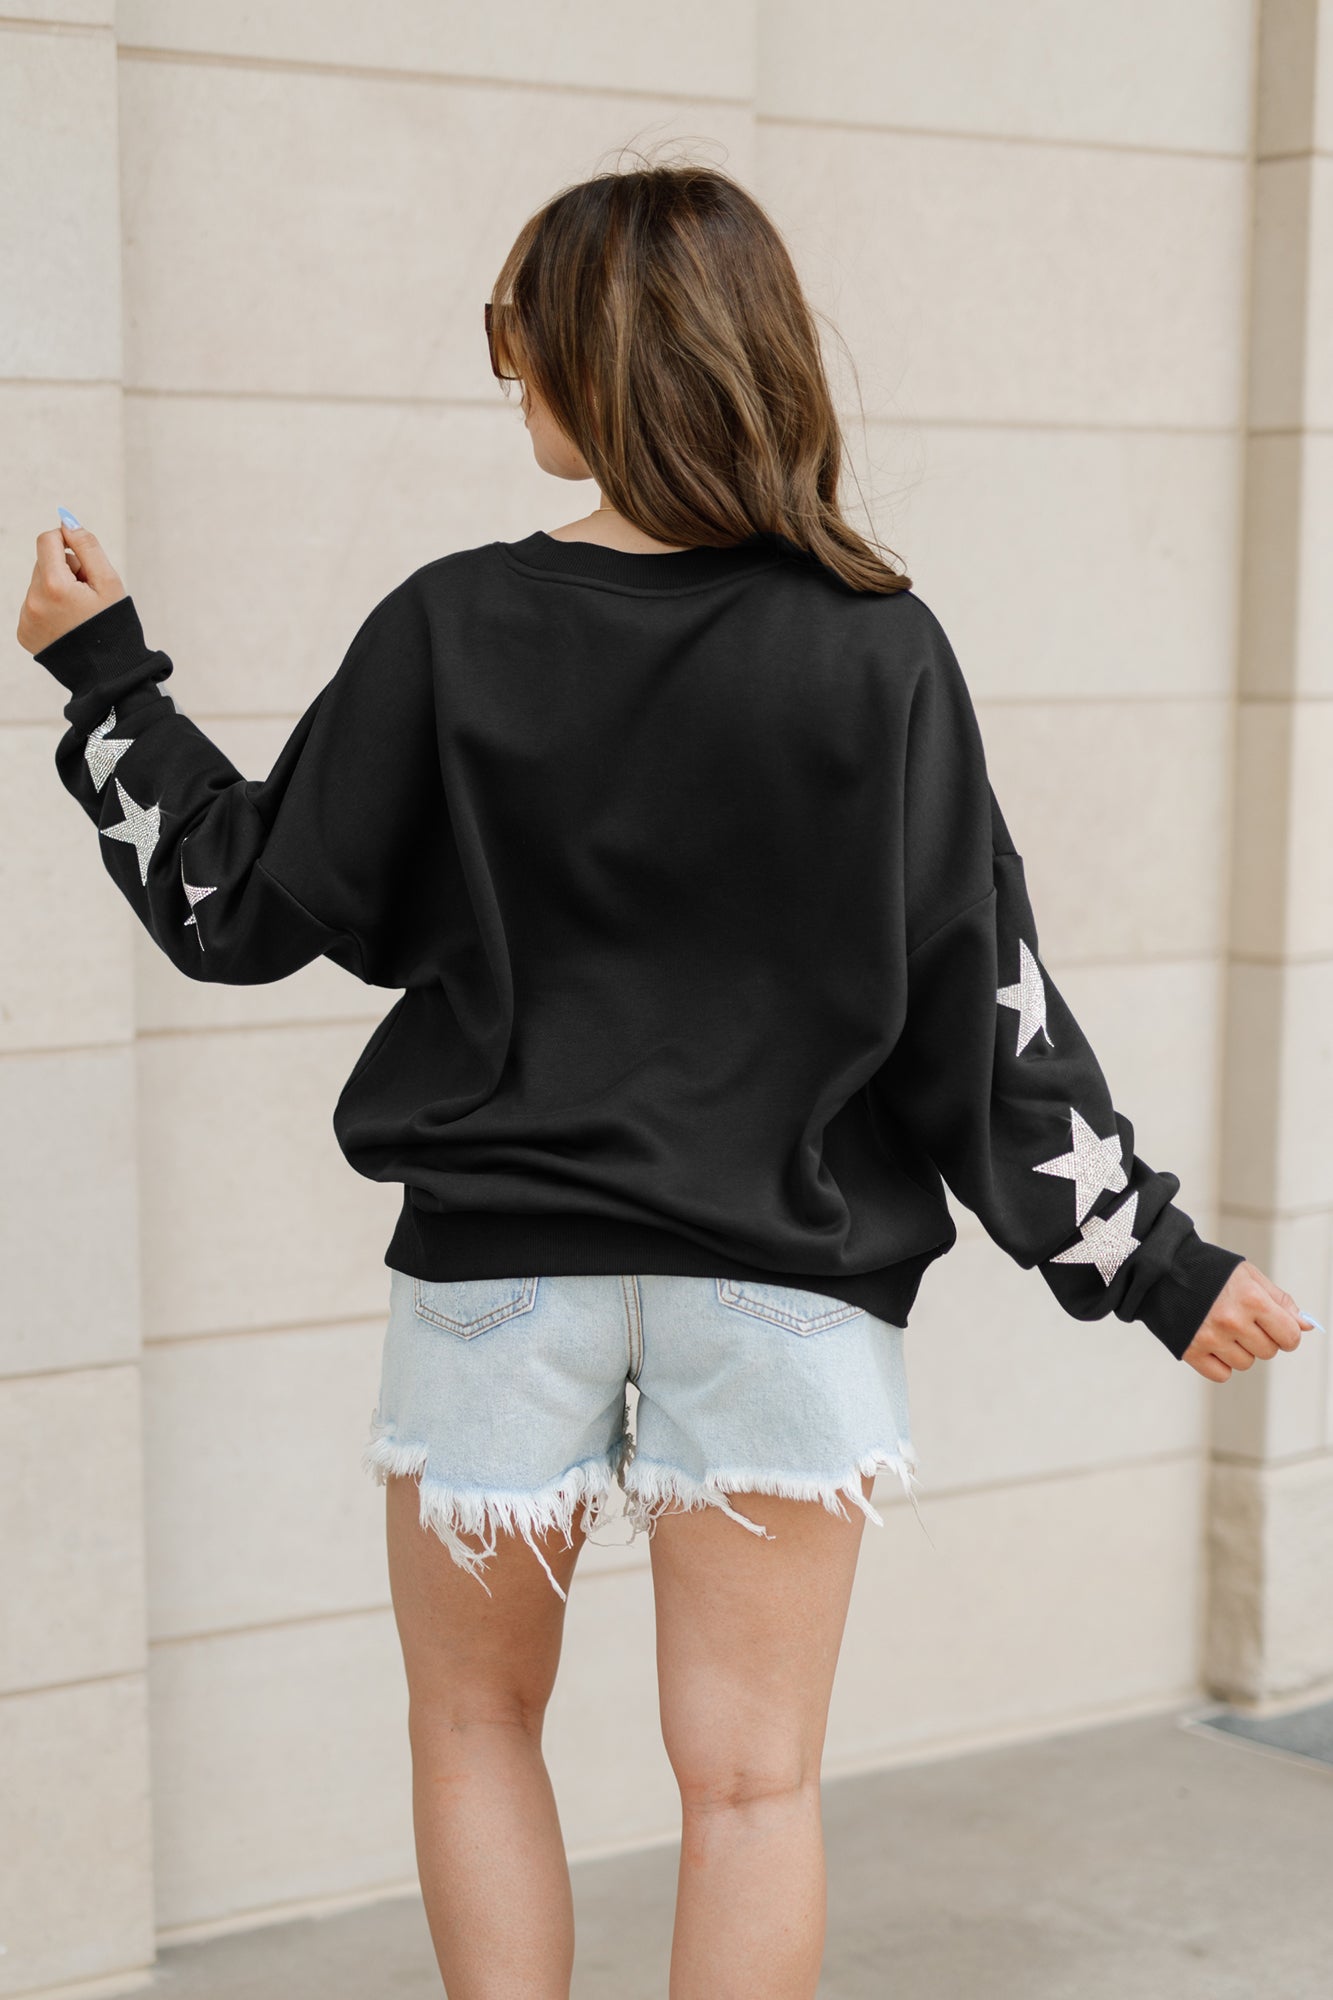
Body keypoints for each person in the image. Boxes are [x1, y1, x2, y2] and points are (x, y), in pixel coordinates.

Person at [17, 160, 1316, 2000]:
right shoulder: (877, 648)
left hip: (496, 1280)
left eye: (514, 338)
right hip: (783, 1283)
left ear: (594, 361)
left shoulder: (454, 625)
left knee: (472, 1728)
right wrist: (1155, 1266)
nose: (507, 380)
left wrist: (105, 682)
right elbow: (984, 1005)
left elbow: (234, 906)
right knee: (751, 1788)